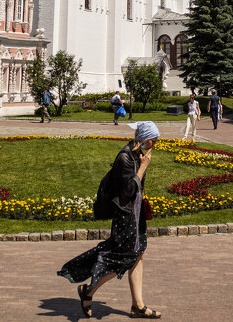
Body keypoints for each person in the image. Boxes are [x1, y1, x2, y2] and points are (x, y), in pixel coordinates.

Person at [59, 121, 162, 319]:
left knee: (138, 254)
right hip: (125, 216)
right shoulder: (125, 158)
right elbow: (129, 190)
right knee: (122, 259)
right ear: (145, 139)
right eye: (154, 141)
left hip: (136, 212)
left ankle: (137, 306)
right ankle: (88, 291)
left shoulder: (137, 155)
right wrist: (143, 167)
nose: (155, 145)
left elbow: (138, 188)